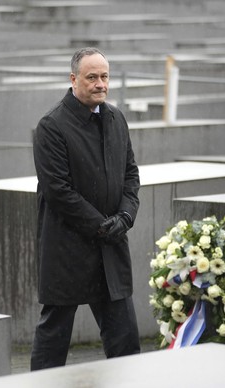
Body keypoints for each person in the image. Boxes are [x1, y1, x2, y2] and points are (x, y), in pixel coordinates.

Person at [31, 47, 141, 371]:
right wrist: (102, 225)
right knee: (54, 338)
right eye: (91, 77)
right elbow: (58, 191)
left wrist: (125, 216)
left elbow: (130, 174)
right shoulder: (51, 126)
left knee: (125, 340)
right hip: (67, 248)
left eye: (104, 76)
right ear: (73, 79)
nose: (100, 84)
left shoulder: (116, 118)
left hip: (111, 247)